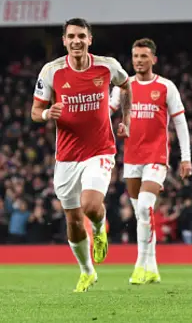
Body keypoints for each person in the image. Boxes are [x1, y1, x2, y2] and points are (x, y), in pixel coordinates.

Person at [31, 18, 131, 292]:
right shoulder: (51, 71)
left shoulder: (107, 66)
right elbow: (35, 111)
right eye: (71, 36)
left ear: (90, 40)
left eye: (81, 36)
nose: (76, 41)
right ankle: (87, 271)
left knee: (90, 205)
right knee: (73, 220)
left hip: (99, 150)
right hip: (66, 157)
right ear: (64, 41)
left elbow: (126, 85)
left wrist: (127, 118)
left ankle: (99, 229)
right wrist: (45, 114)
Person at [109, 38, 192, 285]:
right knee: (140, 214)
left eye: (144, 56)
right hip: (132, 158)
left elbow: (180, 123)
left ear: (153, 59)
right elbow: (108, 110)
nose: (139, 61)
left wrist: (186, 158)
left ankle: (139, 266)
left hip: (156, 157)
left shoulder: (166, 87)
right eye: (135, 56)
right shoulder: (124, 87)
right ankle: (153, 266)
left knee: (145, 206)